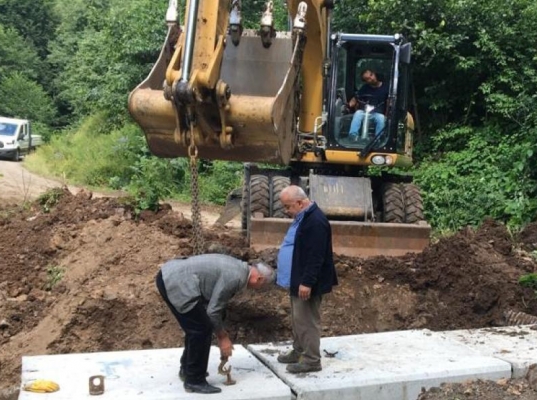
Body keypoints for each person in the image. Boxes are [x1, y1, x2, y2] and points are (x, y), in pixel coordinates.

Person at [156, 254, 276, 394]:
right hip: (176, 282)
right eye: (262, 286)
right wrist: (222, 337)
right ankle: (194, 380)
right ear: (259, 279)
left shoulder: (239, 267)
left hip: (170, 275)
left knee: (196, 328)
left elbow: (215, 302)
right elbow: (213, 311)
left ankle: (187, 370)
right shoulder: (236, 277)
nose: (258, 290)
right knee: (201, 329)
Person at [274, 185, 338, 374]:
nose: (286, 211)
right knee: (298, 319)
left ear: (300, 203)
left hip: (307, 282)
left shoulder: (316, 221)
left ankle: (311, 360)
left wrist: (307, 282)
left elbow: (316, 256)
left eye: (288, 207)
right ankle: (299, 350)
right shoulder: (303, 217)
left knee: (307, 320)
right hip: (297, 278)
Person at [347, 69, 389, 141]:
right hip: (366, 112)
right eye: (368, 79)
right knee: (358, 113)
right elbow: (356, 98)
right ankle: (353, 136)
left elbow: (390, 101)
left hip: (378, 113)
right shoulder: (365, 88)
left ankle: (378, 139)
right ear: (366, 81)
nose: (371, 78)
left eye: (371, 75)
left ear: (374, 74)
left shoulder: (386, 87)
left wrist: (387, 114)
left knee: (381, 118)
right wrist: (348, 105)